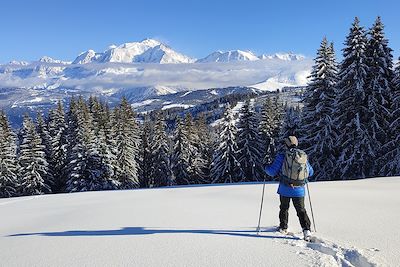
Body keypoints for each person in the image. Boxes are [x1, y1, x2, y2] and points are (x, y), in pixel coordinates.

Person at [264, 136, 314, 240]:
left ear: (286, 144)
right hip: (299, 189)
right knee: (301, 210)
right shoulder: (302, 155)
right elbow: (310, 172)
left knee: (284, 208)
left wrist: (265, 167)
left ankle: (283, 227)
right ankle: (306, 230)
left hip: (284, 188)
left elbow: (272, 172)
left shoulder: (282, 156)